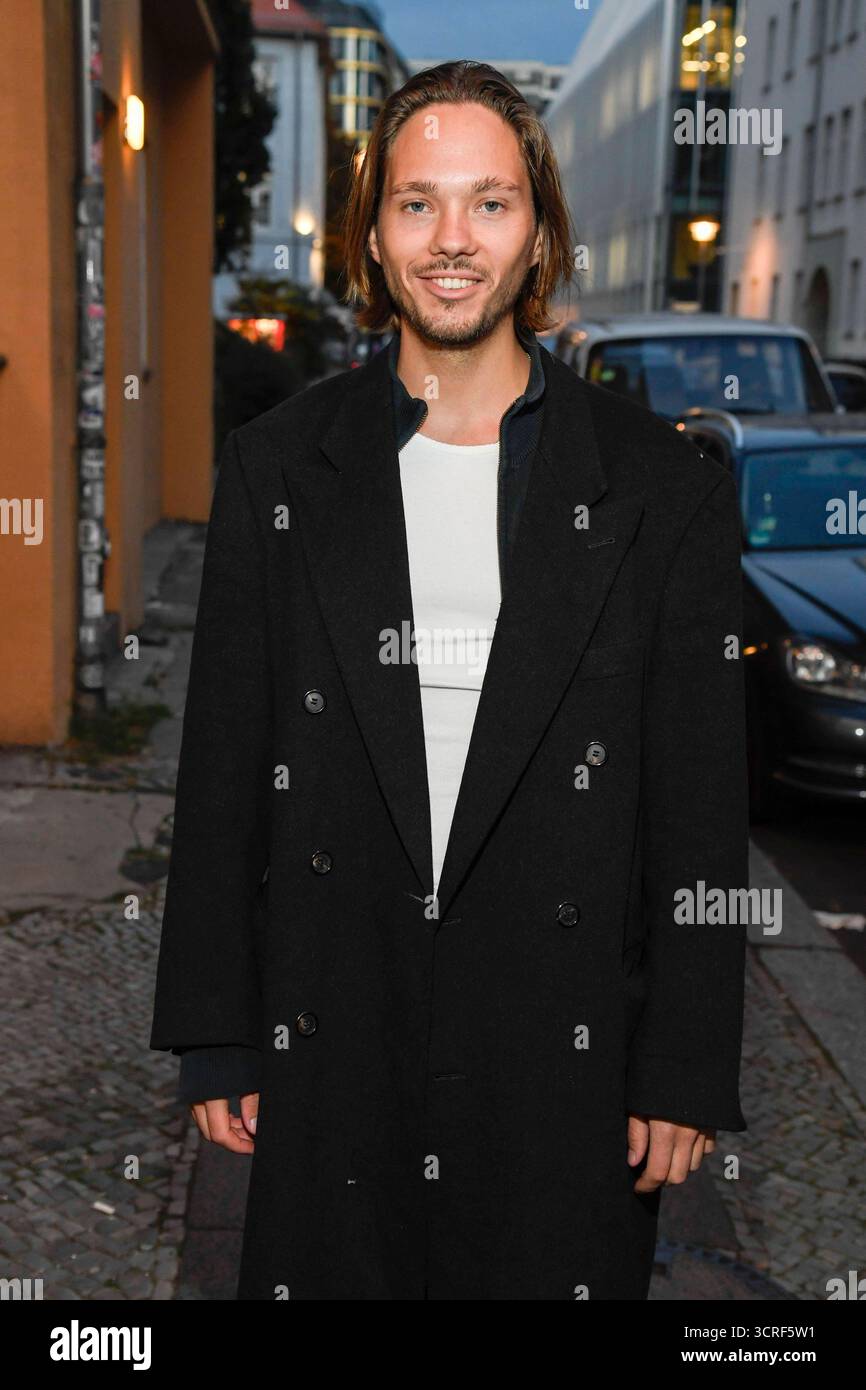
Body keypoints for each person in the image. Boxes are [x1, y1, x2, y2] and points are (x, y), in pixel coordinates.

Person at [150, 60, 749, 1301]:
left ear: (539, 234)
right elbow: (224, 758)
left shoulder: (658, 486)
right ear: (373, 234)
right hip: (341, 1000)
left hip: (559, 1026)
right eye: (417, 204)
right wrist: (216, 1028)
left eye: (488, 202)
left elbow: (696, 798)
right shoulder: (277, 466)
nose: (452, 241)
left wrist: (683, 1062)